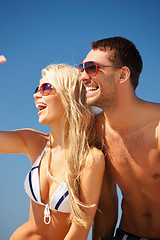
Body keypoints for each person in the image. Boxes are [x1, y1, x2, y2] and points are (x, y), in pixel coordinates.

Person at [0, 57, 105, 240]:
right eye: (36, 89)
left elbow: (80, 229)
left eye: (46, 88)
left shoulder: (90, 159)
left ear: (68, 95)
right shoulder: (33, 142)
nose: (36, 95)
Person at [79, 36, 160, 240]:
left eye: (91, 68)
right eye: (82, 68)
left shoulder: (157, 127)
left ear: (122, 75)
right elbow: (106, 205)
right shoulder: (95, 131)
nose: (82, 76)